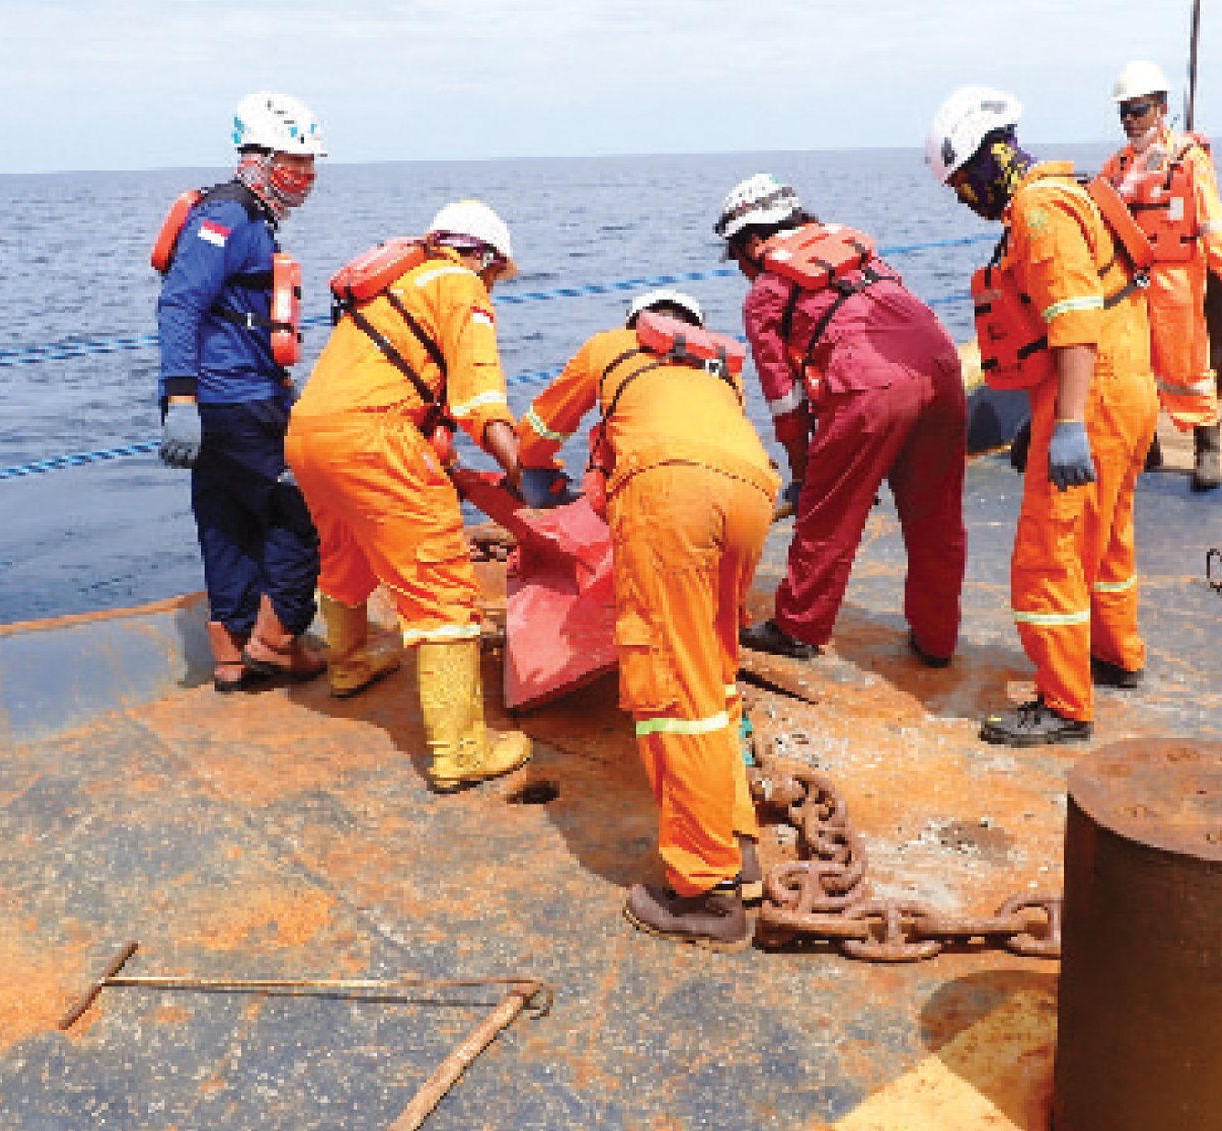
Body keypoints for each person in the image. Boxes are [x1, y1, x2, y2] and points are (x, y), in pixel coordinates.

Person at [516, 289, 779, 951]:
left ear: (640, 324)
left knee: (671, 692)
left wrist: (538, 472)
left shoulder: (611, 348)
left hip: (670, 497)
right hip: (752, 495)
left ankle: (706, 891)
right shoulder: (719, 373)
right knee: (713, 674)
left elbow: (537, 434)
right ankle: (738, 846)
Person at [926, 86, 1157, 745]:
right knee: (1107, 538)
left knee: (1050, 552)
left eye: (963, 184)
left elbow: (1075, 323)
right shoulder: (1069, 192)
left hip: (1095, 395)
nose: (965, 200)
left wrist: (1070, 423)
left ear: (986, 162)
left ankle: (1064, 703)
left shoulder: (1039, 211)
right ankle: (1115, 653)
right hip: (1126, 384)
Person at [285, 200, 532, 792]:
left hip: (310, 437)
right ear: (485, 258)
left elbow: (396, 384)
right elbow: (479, 399)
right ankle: (461, 751)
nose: (493, 286)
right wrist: (523, 473)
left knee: (342, 554)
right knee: (442, 588)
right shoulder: (459, 285)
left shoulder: (392, 287)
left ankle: (348, 665)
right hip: (376, 440)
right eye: (497, 275)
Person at [716, 175, 967, 667]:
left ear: (754, 242)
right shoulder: (863, 255)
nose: (743, 271)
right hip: (942, 372)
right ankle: (937, 640)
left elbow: (784, 401)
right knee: (936, 518)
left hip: (867, 391)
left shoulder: (767, 292)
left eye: (738, 258)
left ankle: (798, 628)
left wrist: (804, 473)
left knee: (825, 516)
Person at [156, 91, 328, 693]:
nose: (304, 174)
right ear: (258, 157)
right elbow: (180, 303)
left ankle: (230, 655)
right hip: (234, 400)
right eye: (293, 160)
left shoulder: (249, 216)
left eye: (309, 163)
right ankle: (276, 640)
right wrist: (181, 400)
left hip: (231, 398)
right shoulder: (226, 218)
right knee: (300, 510)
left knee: (227, 518)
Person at [1102, 60, 1222, 490]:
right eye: (1124, 111)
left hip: (1177, 279)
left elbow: (1208, 220)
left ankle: (1207, 447)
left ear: (1161, 109)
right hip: (1131, 282)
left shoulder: (1188, 159)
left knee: (1187, 364)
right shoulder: (1118, 165)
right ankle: (1146, 446)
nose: (1130, 119)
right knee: (1135, 366)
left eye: (1138, 109)